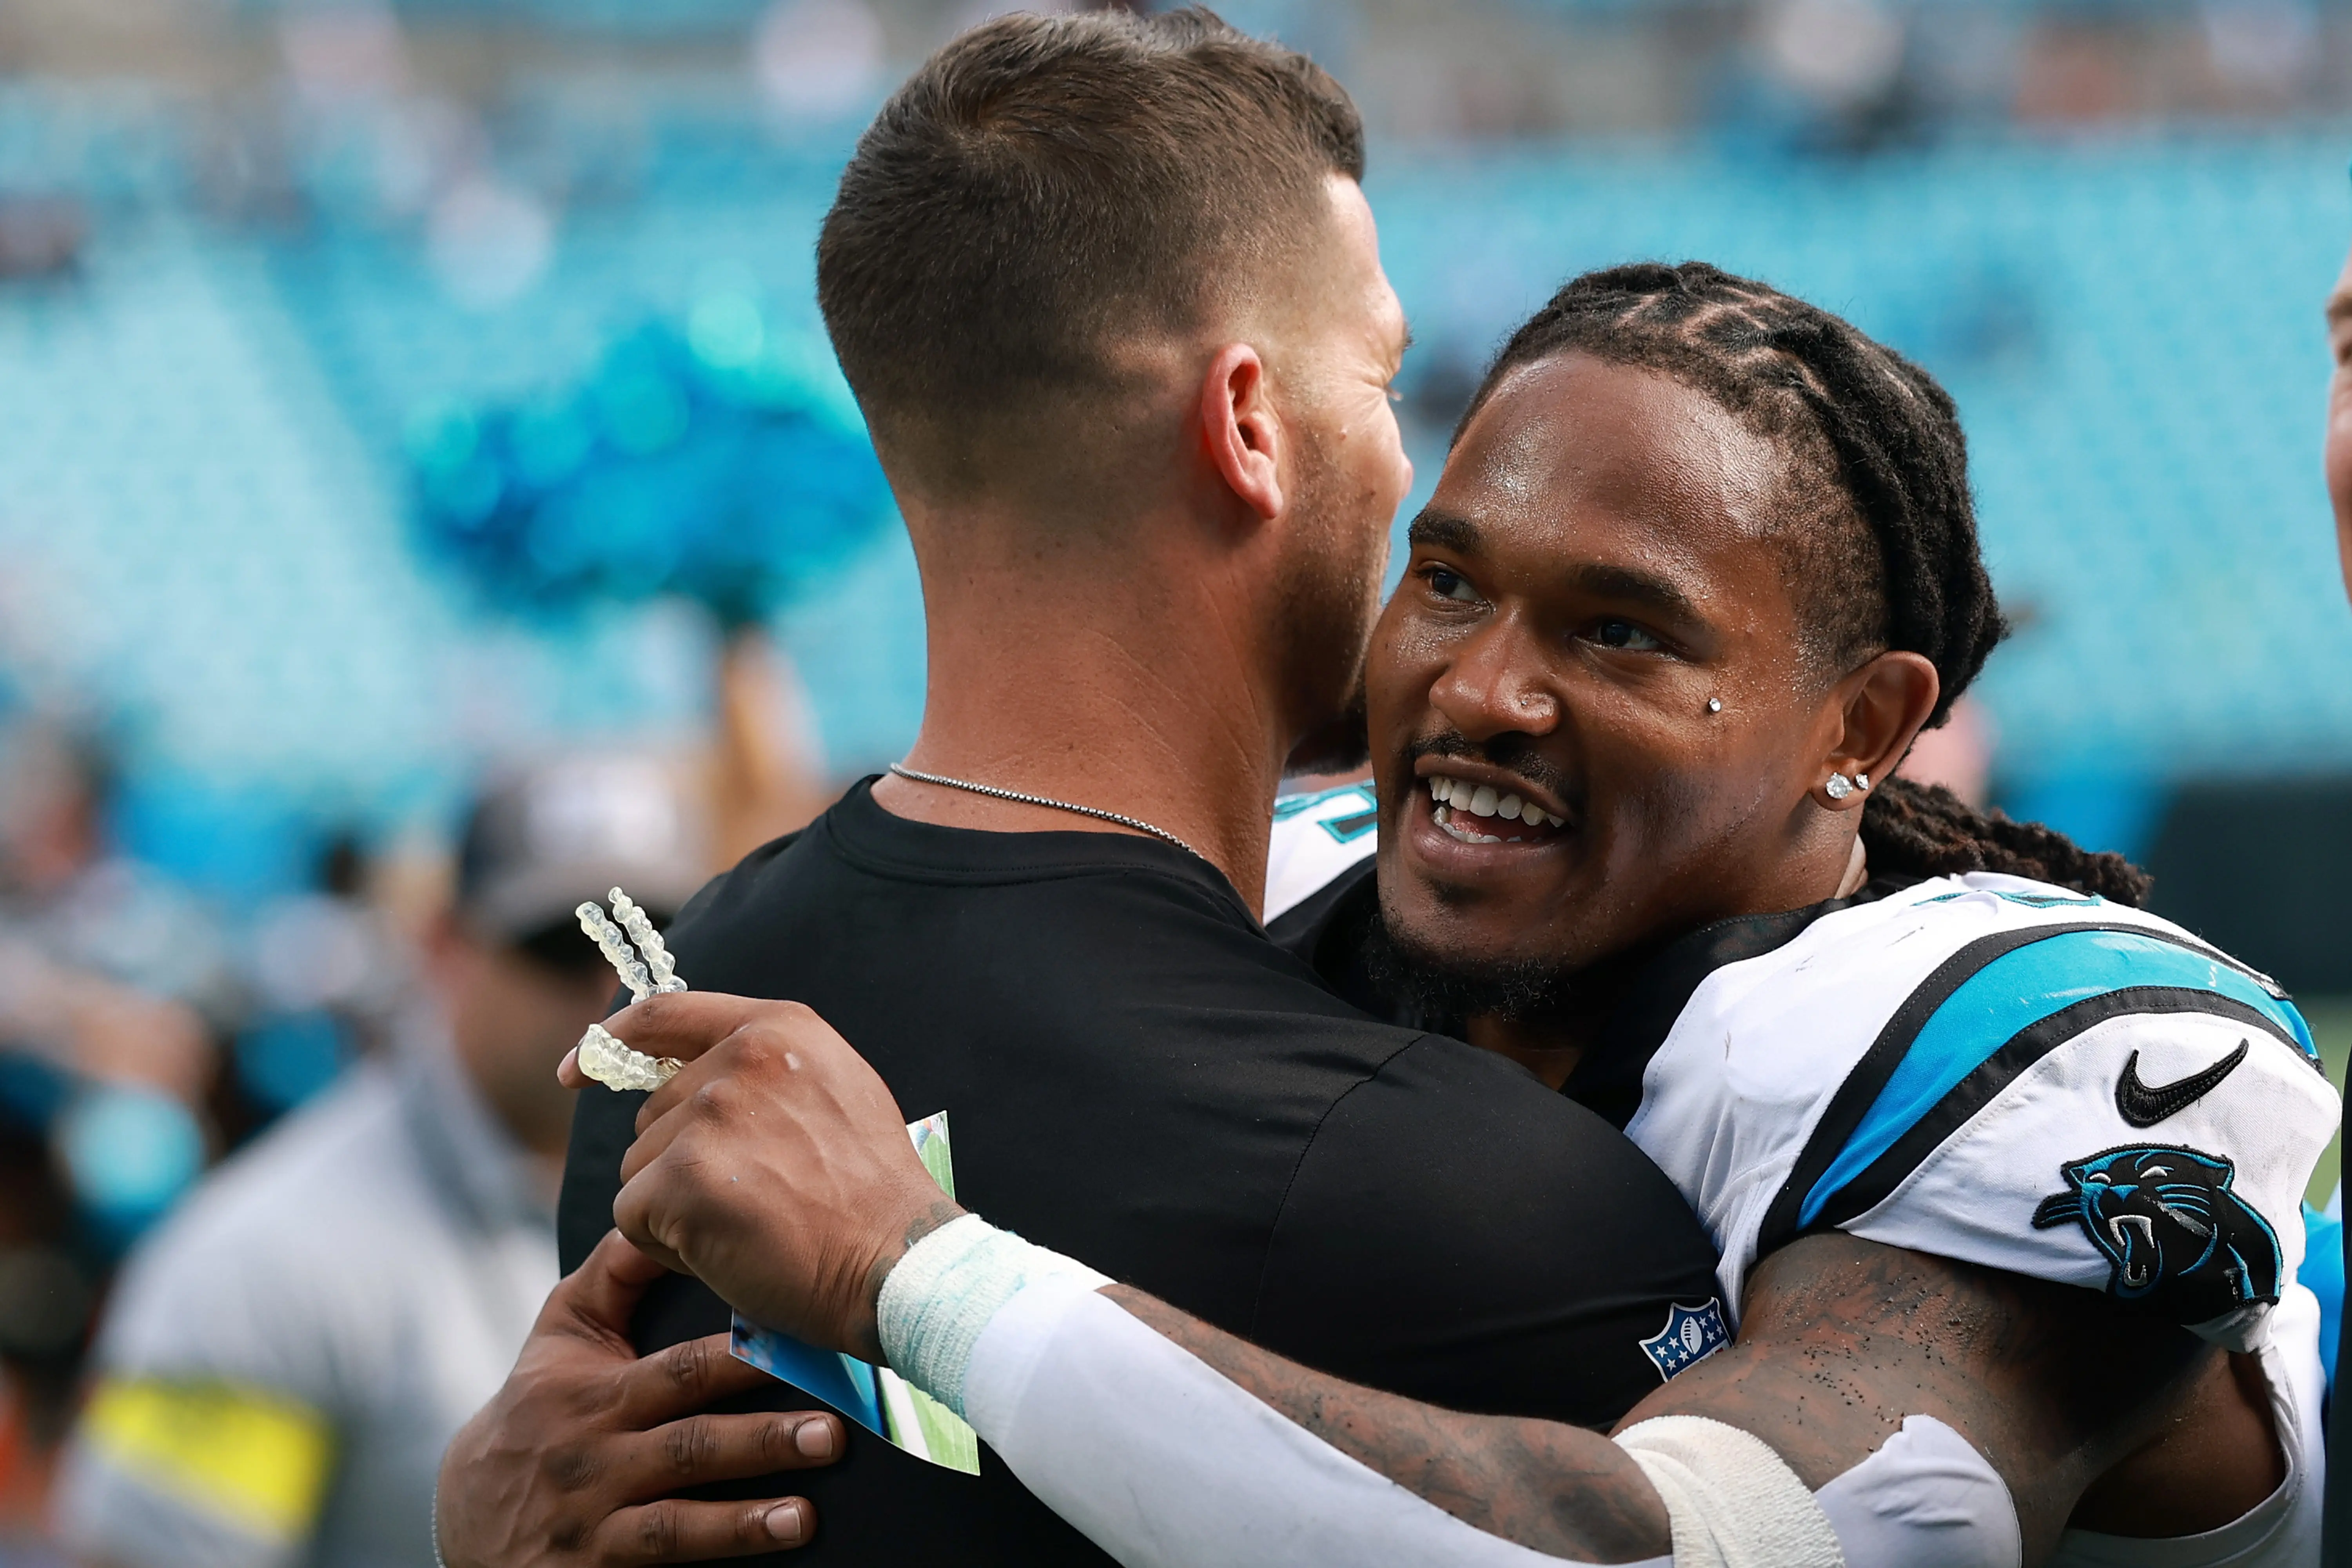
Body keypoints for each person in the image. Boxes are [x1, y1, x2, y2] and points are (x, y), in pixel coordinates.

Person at [591, 266, 2338, 1568]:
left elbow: (1719, 1549)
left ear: (1865, 727)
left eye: (1620, 632)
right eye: (1449, 579)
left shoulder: (2030, 1044)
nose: (1481, 689)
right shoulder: (1306, 871)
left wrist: (920, 1272)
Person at [445, 12, 1728, 1564]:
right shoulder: (1482, 1193)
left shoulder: (674, 1048)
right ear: (1251, 424)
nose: (1406, 471)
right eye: (1381, 379)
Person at [54, 757, 715, 1568]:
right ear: (445, 946)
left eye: (651, 948)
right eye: (562, 946)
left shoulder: (732, 1195)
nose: (615, 992)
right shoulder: (261, 1265)